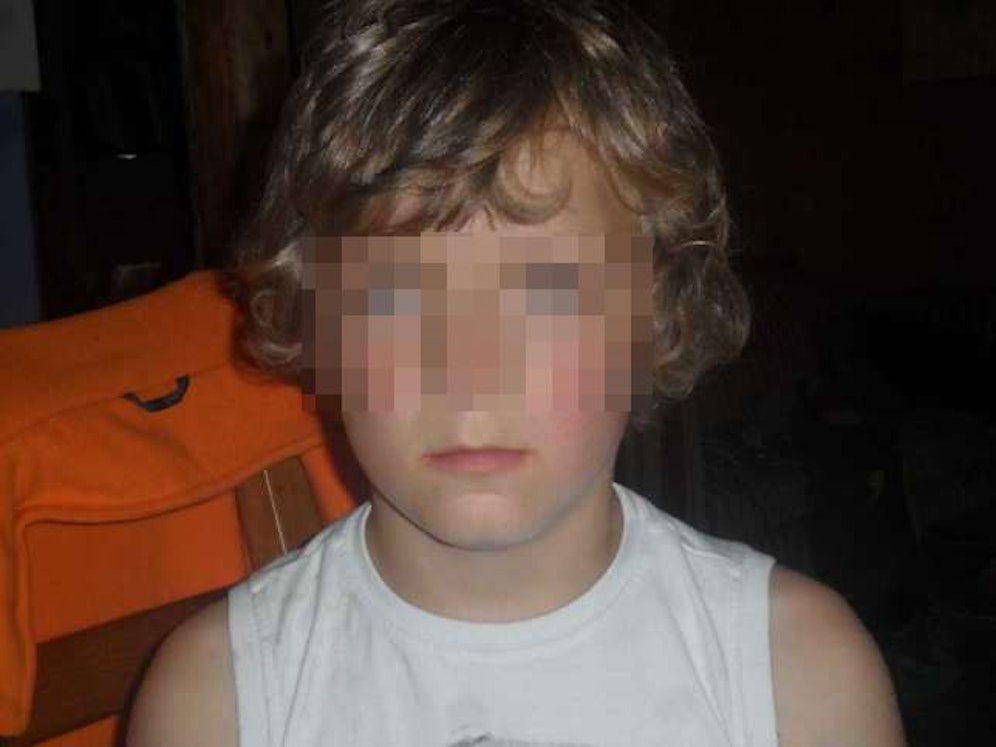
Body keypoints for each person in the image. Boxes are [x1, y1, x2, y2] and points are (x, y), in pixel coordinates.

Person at [126, 1, 906, 744]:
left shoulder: (799, 679)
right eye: (398, 296)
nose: (470, 370)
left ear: (655, 317)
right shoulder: (215, 703)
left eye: (546, 294)